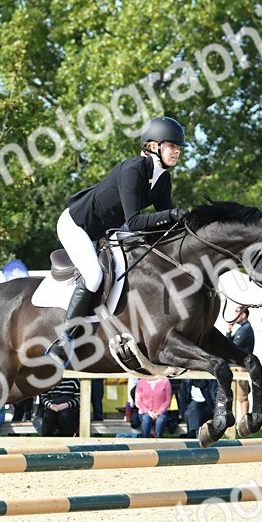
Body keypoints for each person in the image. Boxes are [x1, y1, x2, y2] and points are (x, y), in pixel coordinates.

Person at [46, 116, 190, 361]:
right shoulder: (134, 170)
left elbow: (166, 219)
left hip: (108, 229)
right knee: (93, 276)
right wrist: (173, 215)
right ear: (154, 146)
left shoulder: (162, 178)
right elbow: (134, 221)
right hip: (77, 225)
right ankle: (64, 339)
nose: (177, 152)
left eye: (179, 148)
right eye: (172, 146)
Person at [227, 308, 254, 417]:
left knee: (242, 397)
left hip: (240, 367)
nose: (235, 315)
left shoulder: (245, 329)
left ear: (243, 315)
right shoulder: (242, 329)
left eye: (237, 312)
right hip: (235, 366)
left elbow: (232, 347)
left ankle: (245, 421)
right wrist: (229, 331)